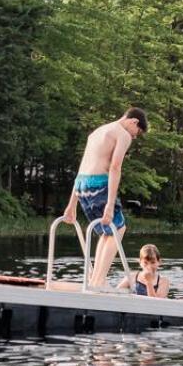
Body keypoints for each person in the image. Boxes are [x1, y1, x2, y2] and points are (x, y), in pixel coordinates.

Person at [60, 107, 147, 287]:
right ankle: (98, 281)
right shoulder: (123, 135)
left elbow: (83, 166)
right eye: (137, 132)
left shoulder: (97, 132)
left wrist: (71, 204)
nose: (135, 137)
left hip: (82, 186)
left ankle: (95, 279)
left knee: (106, 232)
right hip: (99, 184)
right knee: (119, 229)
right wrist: (109, 204)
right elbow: (115, 167)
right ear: (134, 122)